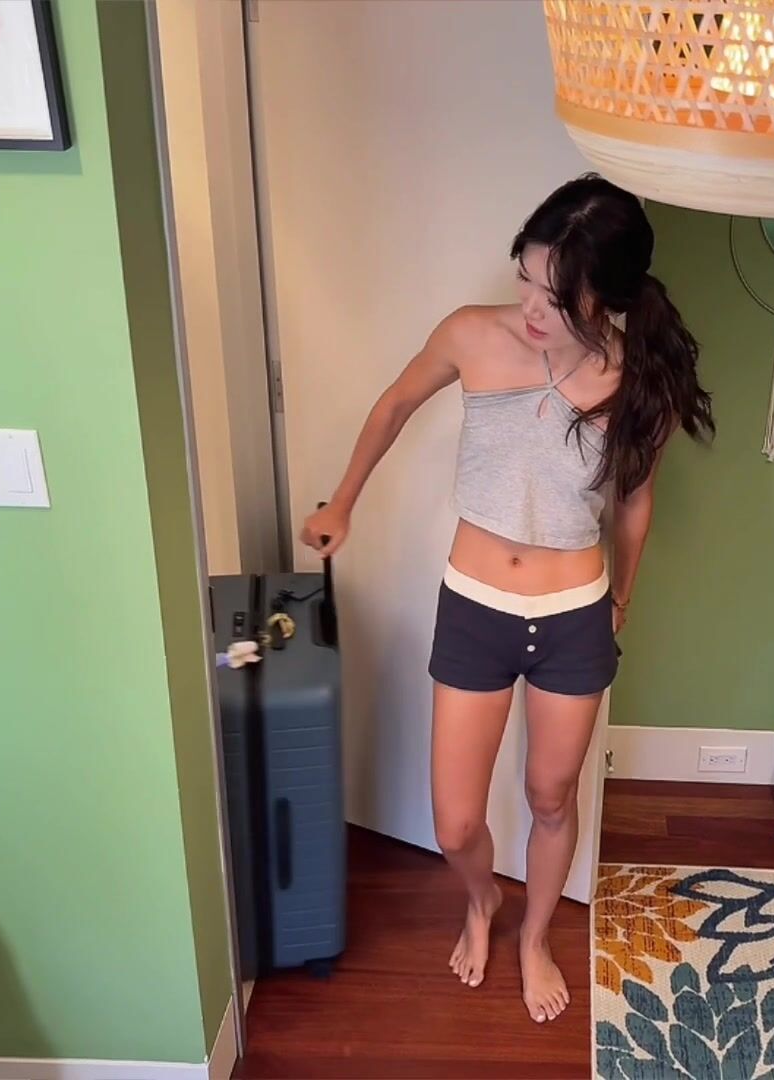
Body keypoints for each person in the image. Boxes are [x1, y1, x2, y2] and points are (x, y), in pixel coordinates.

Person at [300, 175, 714, 1023]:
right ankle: (481, 898)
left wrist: (622, 597)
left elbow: (634, 501)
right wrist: (343, 501)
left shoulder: (643, 380)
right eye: (525, 277)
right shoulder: (471, 335)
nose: (528, 306)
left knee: (552, 798)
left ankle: (532, 936)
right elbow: (395, 404)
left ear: (608, 298)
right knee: (455, 824)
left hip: (574, 614)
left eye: (554, 297)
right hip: (476, 606)